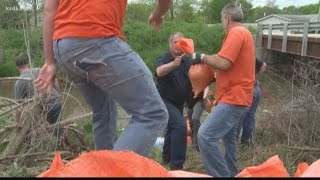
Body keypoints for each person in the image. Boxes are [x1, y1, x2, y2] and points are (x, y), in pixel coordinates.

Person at [34, 0, 172, 157]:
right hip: (96, 38)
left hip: (64, 48)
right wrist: (158, 13)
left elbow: (49, 10)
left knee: (104, 112)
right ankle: (113, 171)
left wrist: (50, 62)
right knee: (152, 112)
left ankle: (102, 166)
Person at [189, 3, 256, 177]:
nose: (222, 23)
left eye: (221, 19)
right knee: (229, 138)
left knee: (205, 136)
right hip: (238, 96)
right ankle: (232, 173)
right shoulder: (244, 33)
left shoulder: (236, 33)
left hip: (235, 98)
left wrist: (200, 56)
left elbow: (223, 62)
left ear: (227, 18)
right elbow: (227, 67)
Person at [155, 32, 194, 170]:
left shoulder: (187, 60)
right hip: (164, 100)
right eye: (175, 42)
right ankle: (177, 165)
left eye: (181, 42)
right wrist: (173, 64)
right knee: (180, 126)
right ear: (170, 44)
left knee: (172, 129)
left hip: (179, 103)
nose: (178, 45)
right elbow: (159, 71)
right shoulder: (164, 58)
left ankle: (166, 159)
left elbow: (195, 76)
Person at [13, 56, 62, 136]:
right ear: (28, 63)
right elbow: (55, 80)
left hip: (45, 106)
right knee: (57, 127)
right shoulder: (40, 70)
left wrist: (18, 123)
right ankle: (60, 141)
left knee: (34, 126)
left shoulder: (19, 82)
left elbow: (18, 106)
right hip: (56, 100)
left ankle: (49, 142)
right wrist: (59, 95)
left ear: (17, 67)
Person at [237, 58, 267, 147]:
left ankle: (233, 145)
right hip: (255, 89)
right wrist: (255, 77)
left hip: (247, 91)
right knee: (250, 117)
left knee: (238, 117)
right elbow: (264, 65)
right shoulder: (250, 56)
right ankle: (246, 144)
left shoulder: (238, 58)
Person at [186, 86, 209, 151]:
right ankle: (194, 143)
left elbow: (206, 86)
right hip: (189, 104)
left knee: (195, 119)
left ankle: (197, 144)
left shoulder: (198, 76)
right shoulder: (185, 77)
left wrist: (204, 97)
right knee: (191, 123)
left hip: (200, 101)